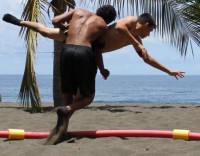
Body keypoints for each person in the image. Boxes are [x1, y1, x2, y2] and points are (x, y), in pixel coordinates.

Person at [3, 13, 185, 79]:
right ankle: (20, 22)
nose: (149, 34)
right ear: (146, 25)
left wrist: (169, 71)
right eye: (150, 31)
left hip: (88, 48)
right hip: (82, 38)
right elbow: (120, 27)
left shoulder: (136, 40)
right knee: (46, 32)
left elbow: (147, 59)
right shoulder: (130, 22)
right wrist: (136, 42)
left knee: (47, 33)